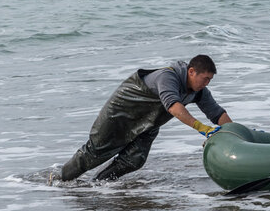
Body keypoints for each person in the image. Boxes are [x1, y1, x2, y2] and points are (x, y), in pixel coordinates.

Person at [58, 54, 233, 182]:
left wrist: (236, 133)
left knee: (134, 160)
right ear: (192, 72)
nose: (206, 84)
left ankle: (98, 184)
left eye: (210, 80)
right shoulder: (167, 77)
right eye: (205, 79)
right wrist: (202, 129)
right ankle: (58, 180)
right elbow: (173, 107)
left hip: (148, 123)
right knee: (94, 154)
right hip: (120, 114)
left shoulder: (199, 92)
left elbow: (217, 114)